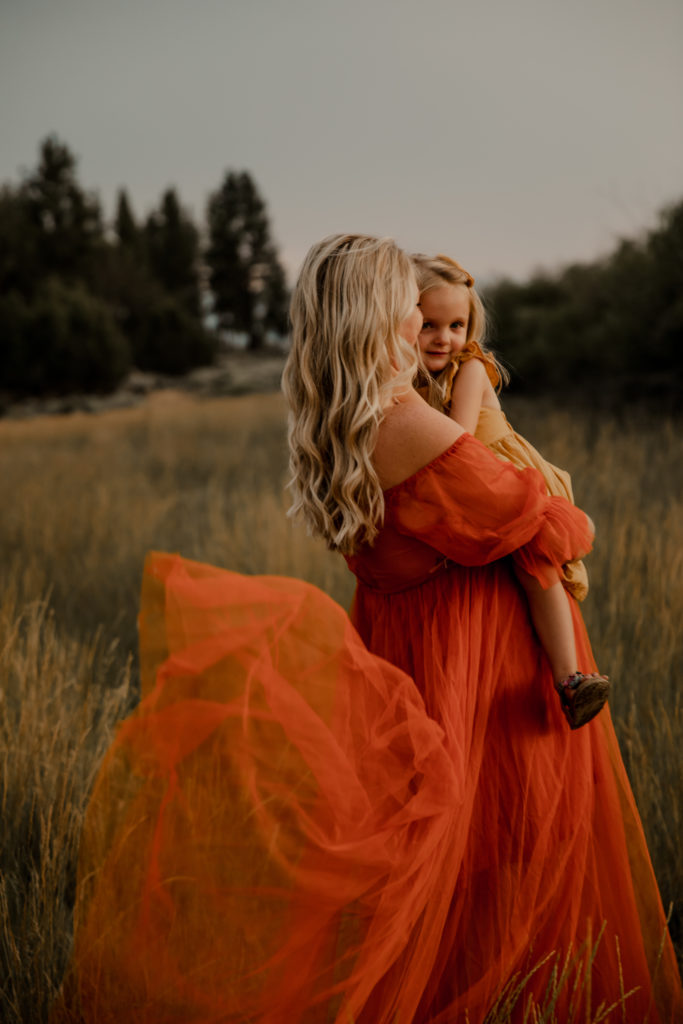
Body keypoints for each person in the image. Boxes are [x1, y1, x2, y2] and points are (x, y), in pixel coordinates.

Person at [52, 234, 682, 1024]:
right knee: (502, 848)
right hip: (473, 656)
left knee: (449, 854)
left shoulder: (338, 416)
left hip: (412, 638)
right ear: (376, 317)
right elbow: (532, 521)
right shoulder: (405, 418)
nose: (420, 323)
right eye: (407, 309)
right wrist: (557, 498)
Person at [413, 252, 609, 730]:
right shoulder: (420, 380)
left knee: (532, 561)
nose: (445, 337)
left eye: (457, 324)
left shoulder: (469, 369)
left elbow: (456, 442)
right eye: (429, 325)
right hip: (473, 483)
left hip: (504, 475)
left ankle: (571, 679)